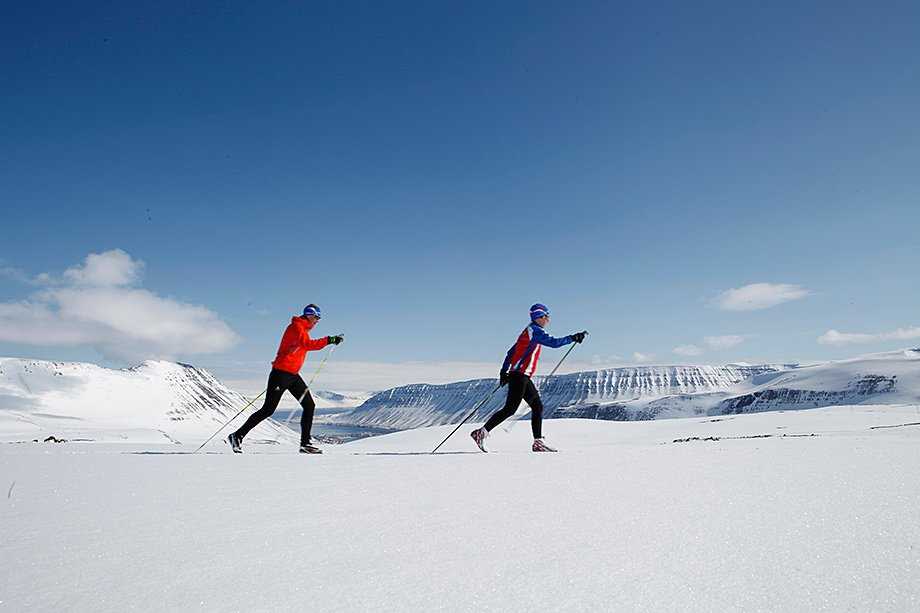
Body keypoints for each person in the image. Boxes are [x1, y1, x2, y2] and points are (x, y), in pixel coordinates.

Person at [228, 304, 343, 454]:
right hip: (280, 374)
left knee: (309, 405)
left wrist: (329, 340)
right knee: (268, 410)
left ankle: (305, 444)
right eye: (316, 317)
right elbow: (307, 344)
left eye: (318, 318)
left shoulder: (303, 329)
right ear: (309, 315)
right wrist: (329, 339)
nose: (317, 321)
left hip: (293, 375)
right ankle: (237, 436)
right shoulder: (296, 327)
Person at [471, 303, 586, 453]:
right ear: (539, 317)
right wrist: (573, 338)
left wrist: (504, 372)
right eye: (547, 316)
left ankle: (538, 442)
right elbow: (554, 343)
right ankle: (481, 433)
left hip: (519, 375)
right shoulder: (535, 331)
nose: (548, 319)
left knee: (537, 406)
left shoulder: (528, 332)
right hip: (519, 376)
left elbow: (510, 353)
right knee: (510, 409)